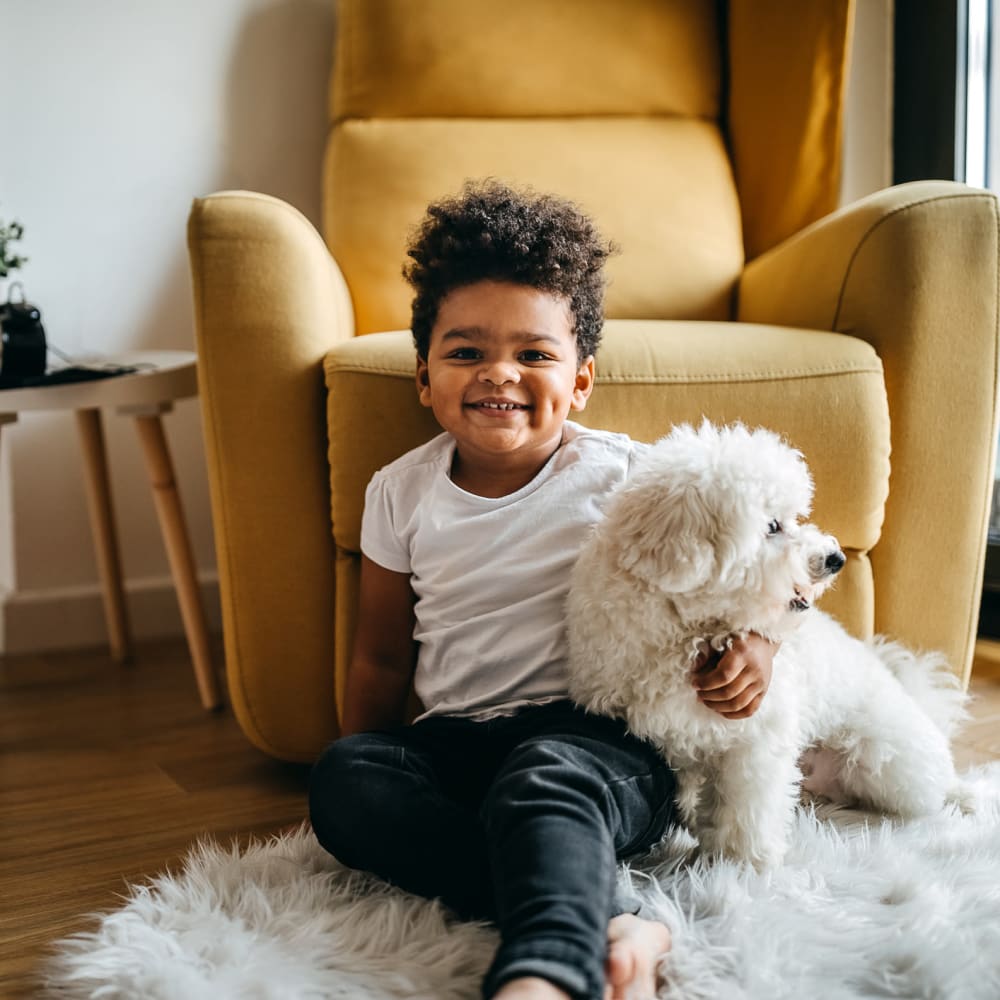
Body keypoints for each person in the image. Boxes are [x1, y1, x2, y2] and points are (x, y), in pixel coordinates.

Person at [309, 180, 777, 1000]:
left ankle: (548, 972)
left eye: (534, 354)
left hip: (598, 747)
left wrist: (759, 648)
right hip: (458, 744)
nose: (500, 374)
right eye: (465, 352)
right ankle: (617, 914)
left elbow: (758, 578)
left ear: (581, 380)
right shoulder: (399, 492)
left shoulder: (629, 479)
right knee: (344, 781)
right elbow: (381, 659)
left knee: (543, 777)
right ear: (424, 376)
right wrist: (375, 769)